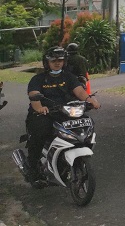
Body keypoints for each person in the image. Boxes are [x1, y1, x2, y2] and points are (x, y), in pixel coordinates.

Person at [25, 46, 100, 182]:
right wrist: (39, 108)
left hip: (66, 111)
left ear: (64, 61)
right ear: (47, 62)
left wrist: (90, 100)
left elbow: (80, 92)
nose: (57, 63)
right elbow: (34, 95)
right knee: (40, 131)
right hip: (45, 114)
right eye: (53, 60)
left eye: (60, 60)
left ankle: (71, 155)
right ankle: (32, 167)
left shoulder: (69, 77)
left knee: (86, 122)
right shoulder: (38, 79)